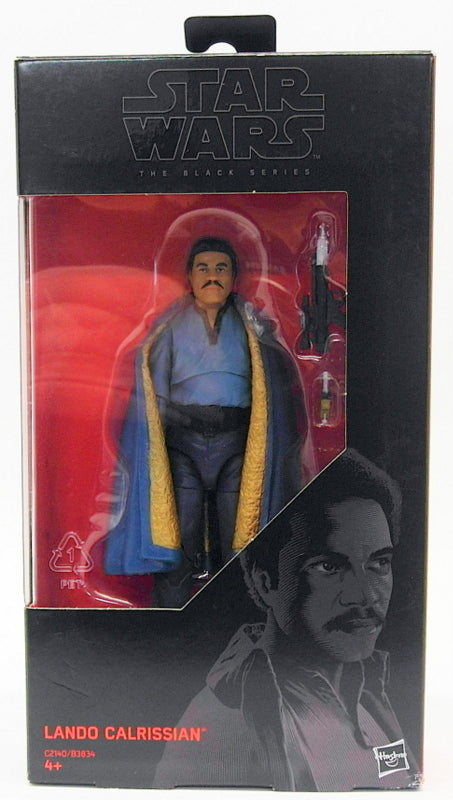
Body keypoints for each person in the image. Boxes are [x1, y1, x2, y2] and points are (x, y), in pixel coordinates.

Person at [154, 449, 419, 790]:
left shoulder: (369, 691)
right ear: (265, 582)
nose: (365, 596)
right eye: (329, 567)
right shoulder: (227, 727)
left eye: (379, 563)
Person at [104, 237, 306, 607]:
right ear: (190, 277)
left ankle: (238, 615)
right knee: (179, 538)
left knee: (240, 537)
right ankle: (172, 618)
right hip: (184, 446)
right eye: (204, 268)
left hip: (236, 446)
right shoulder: (170, 326)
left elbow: (272, 385)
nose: (212, 276)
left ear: (233, 277)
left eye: (220, 268)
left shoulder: (252, 328)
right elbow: (153, 388)